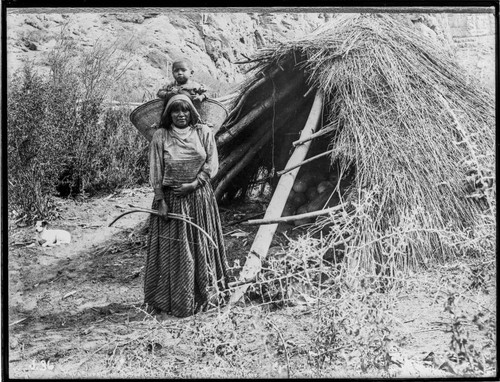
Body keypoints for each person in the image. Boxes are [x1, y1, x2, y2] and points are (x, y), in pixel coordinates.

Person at [144, 93, 228, 318]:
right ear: (168, 114)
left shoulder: (203, 132)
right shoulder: (161, 136)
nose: (181, 115)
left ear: (192, 112)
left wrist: (194, 184)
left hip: (199, 198)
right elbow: (156, 169)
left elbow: (212, 163)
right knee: (174, 249)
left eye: (185, 110)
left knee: (199, 244)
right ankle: (170, 300)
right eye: (175, 111)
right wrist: (160, 200)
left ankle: (202, 296)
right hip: (171, 200)